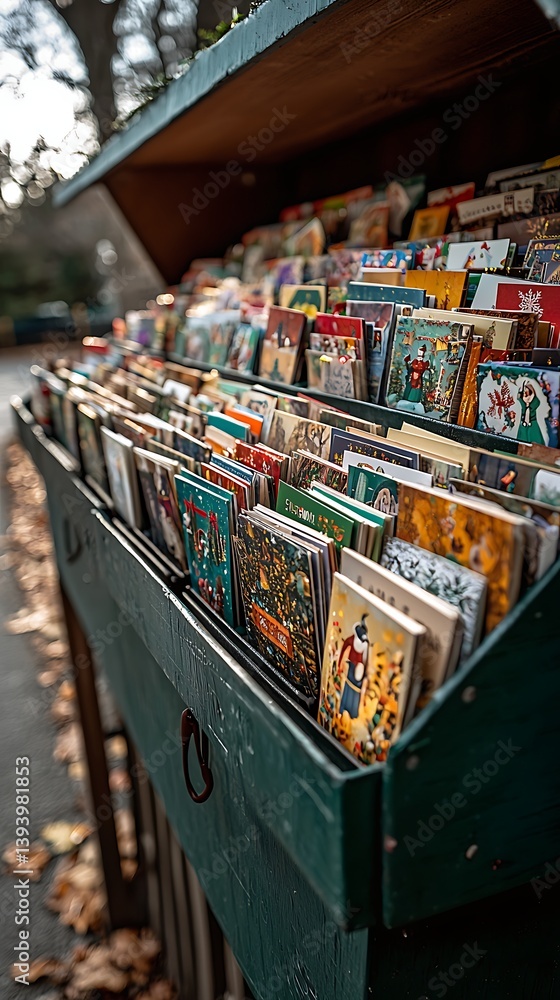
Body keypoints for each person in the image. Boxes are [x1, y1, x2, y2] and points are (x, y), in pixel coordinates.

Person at [518, 380, 545, 445]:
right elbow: (519, 399)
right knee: (523, 437)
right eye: (524, 390)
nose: (525, 392)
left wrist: (529, 403)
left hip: (532, 421)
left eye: (527, 390)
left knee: (534, 438)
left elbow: (537, 403)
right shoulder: (522, 400)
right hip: (523, 422)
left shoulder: (534, 400)